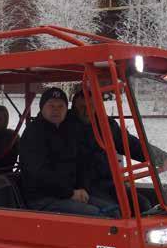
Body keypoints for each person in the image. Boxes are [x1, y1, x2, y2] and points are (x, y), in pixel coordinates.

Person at [69, 90, 167, 211]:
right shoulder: (65, 126)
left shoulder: (105, 124)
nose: (87, 111)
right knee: (114, 210)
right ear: (74, 107)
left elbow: (129, 143)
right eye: (82, 107)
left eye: (91, 106)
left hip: (108, 182)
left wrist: (161, 158)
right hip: (83, 186)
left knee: (142, 204)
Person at [19, 87, 117, 218]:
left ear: (66, 109)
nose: (56, 110)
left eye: (61, 106)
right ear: (42, 108)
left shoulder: (69, 130)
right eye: (51, 105)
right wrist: (70, 193)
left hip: (68, 193)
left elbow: (80, 162)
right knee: (98, 215)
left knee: (113, 210)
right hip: (42, 198)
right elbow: (39, 173)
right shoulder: (33, 134)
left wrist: (82, 188)